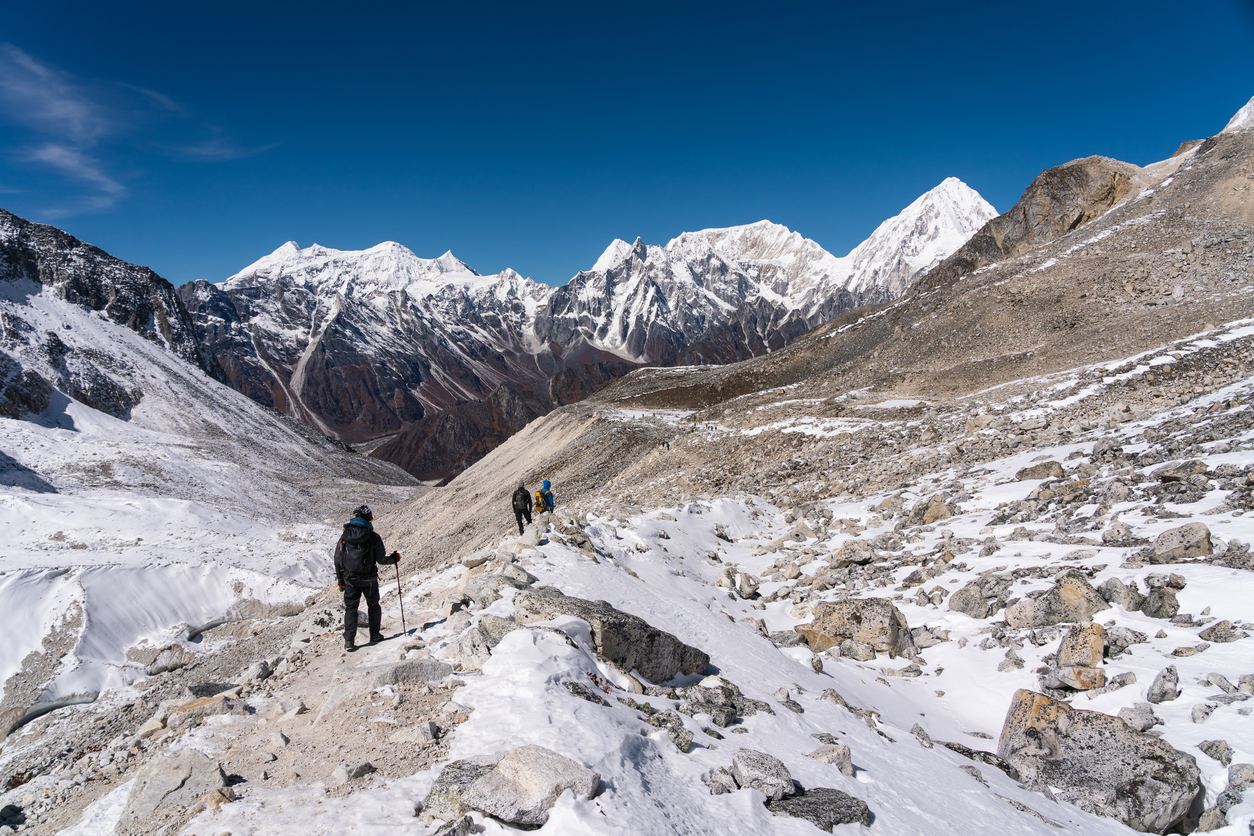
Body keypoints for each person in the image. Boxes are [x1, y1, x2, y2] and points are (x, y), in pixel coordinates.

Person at [333, 504, 400, 651]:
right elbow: (381, 560)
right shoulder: (373, 537)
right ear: (369, 520)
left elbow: (338, 559)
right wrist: (394, 558)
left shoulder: (345, 535)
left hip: (350, 579)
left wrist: (340, 580)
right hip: (369, 579)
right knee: (373, 605)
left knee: (351, 608)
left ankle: (349, 641)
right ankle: (375, 635)